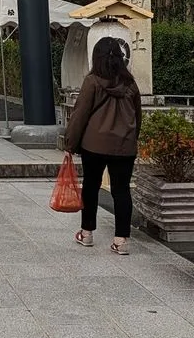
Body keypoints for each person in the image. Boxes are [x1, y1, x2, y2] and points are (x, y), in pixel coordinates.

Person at [61, 36, 142, 254]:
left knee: (91, 187)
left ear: (96, 57)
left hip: (94, 145)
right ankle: (121, 240)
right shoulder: (130, 84)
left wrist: (70, 143)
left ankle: (86, 234)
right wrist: (133, 138)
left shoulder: (93, 82)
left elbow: (80, 115)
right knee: (122, 191)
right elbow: (138, 116)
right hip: (124, 145)